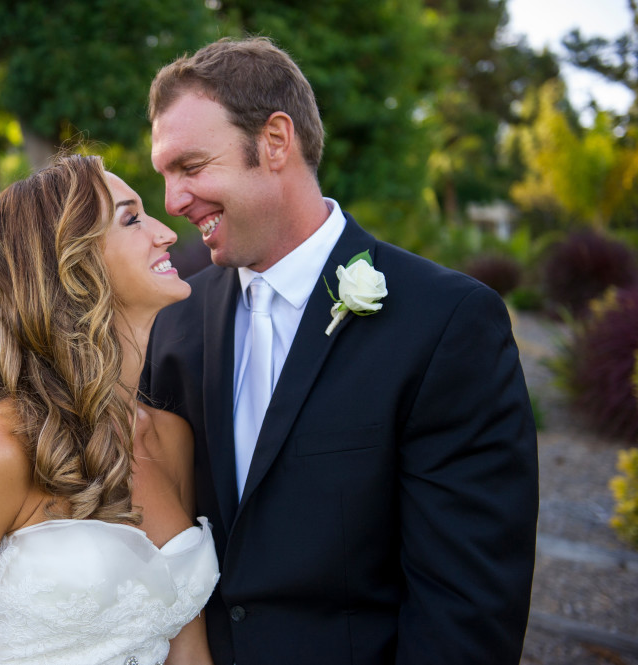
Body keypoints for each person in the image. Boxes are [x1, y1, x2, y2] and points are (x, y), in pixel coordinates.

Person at [138, 37, 539, 664]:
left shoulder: (447, 323)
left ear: (275, 141)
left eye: (190, 168)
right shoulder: (176, 323)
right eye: (165, 176)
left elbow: (467, 607)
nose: (172, 202)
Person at [0, 154, 219, 665]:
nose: (166, 233)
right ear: (72, 265)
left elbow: (188, 650)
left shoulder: (171, 438)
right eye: (132, 219)